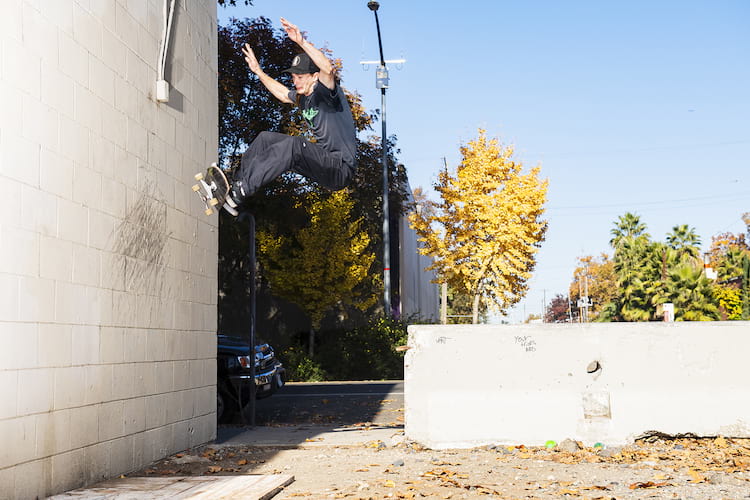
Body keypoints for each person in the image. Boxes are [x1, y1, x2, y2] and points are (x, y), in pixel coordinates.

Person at [226, 18, 357, 215]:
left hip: (340, 168)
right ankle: (236, 185)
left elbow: (328, 69)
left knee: (293, 145)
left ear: (314, 76)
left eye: (301, 77)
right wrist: (259, 72)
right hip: (322, 163)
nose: (296, 82)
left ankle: (244, 189)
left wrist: (301, 42)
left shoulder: (326, 94)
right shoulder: (302, 98)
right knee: (265, 138)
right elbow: (281, 93)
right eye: (294, 78)